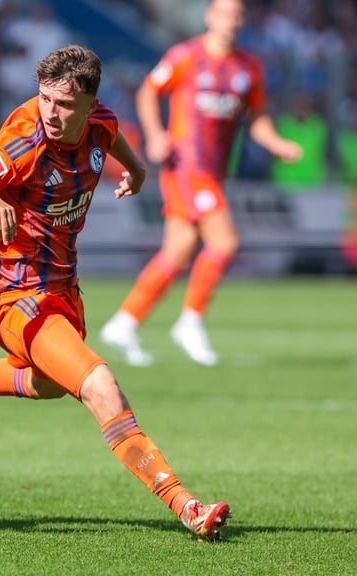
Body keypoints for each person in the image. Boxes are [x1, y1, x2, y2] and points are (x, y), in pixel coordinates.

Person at [0, 44, 231, 541]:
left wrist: (137, 172)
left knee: (49, 383)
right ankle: (186, 505)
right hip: (15, 295)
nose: (52, 113)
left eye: (65, 105)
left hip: (64, 287)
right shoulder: (24, 140)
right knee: (100, 385)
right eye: (45, 99)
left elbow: (111, 136)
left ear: (89, 103)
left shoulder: (100, 123)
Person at [99, 0, 302, 366]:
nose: (231, 22)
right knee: (225, 241)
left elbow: (257, 118)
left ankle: (124, 322)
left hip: (214, 171)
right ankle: (190, 321)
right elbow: (148, 91)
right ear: (210, 17)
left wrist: (276, 143)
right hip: (186, 166)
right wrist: (155, 134)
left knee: (178, 251)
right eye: (224, 14)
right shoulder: (186, 56)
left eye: (237, 16)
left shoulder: (248, 68)